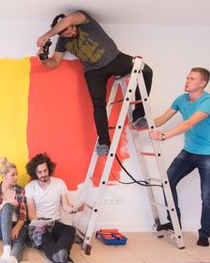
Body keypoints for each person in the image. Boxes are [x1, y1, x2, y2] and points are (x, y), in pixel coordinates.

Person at [36, 10, 153, 156]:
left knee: (146, 71)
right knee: (98, 104)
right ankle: (104, 142)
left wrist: (47, 35)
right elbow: (54, 63)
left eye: (71, 28)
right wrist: (44, 59)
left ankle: (138, 116)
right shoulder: (62, 41)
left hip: (114, 59)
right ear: (61, 35)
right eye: (66, 33)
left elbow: (70, 18)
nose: (71, 33)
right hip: (94, 72)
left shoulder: (83, 20)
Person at [149, 67, 210, 247]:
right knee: (167, 182)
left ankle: (204, 234)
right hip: (189, 152)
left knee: (207, 195)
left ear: (202, 83)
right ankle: (175, 222)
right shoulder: (181, 99)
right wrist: (140, 123)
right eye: (187, 77)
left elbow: (189, 123)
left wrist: (164, 136)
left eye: (192, 79)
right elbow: (162, 119)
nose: (187, 81)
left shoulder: (209, 101)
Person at [25, 153, 83, 263]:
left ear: (49, 168)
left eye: (45, 170)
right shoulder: (30, 187)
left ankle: (61, 251)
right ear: (35, 173)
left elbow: (66, 207)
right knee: (47, 241)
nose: (43, 174)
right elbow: (31, 213)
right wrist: (38, 224)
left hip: (54, 223)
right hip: (39, 224)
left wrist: (76, 208)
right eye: (39, 172)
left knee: (70, 230)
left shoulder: (59, 183)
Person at [0, 157, 28, 263]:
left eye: (17, 174)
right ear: (3, 175)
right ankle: (6, 250)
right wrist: (6, 203)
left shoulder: (21, 190)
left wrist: (16, 228)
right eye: (13, 175)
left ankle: (14, 260)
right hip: (0, 227)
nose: (16, 177)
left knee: (20, 239)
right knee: (7, 205)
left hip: (17, 225)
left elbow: (23, 216)